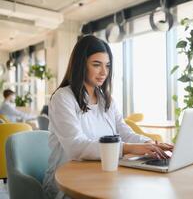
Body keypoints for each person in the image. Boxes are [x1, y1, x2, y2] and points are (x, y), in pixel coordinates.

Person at [42, 35, 173, 199]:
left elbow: (124, 131)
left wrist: (148, 143)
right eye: (96, 65)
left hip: (101, 174)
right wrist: (128, 148)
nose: (104, 72)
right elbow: (76, 147)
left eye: (107, 66)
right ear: (81, 65)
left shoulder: (105, 98)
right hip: (69, 182)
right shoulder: (63, 98)